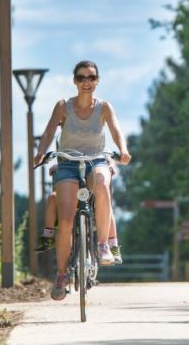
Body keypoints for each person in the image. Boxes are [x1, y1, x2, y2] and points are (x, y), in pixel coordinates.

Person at [34, 60, 132, 301]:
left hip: (96, 159)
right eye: (81, 78)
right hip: (67, 162)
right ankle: (60, 276)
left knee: (101, 182)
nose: (86, 82)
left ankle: (103, 245)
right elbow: (48, 132)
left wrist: (123, 149)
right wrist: (40, 152)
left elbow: (116, 130)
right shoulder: (63, 106)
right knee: (66, 219)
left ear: (97, 81)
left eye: (91, 77)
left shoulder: (104, 107)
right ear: (74, 81)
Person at [35, 162, 123, 265]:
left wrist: (110, 165)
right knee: (52, 198)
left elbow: (108, 160)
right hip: (71, 189)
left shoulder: (99, 154)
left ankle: (113, 245)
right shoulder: (68, 152)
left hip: (90, 192)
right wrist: (58, 167)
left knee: (106, 206)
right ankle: (48, 236)